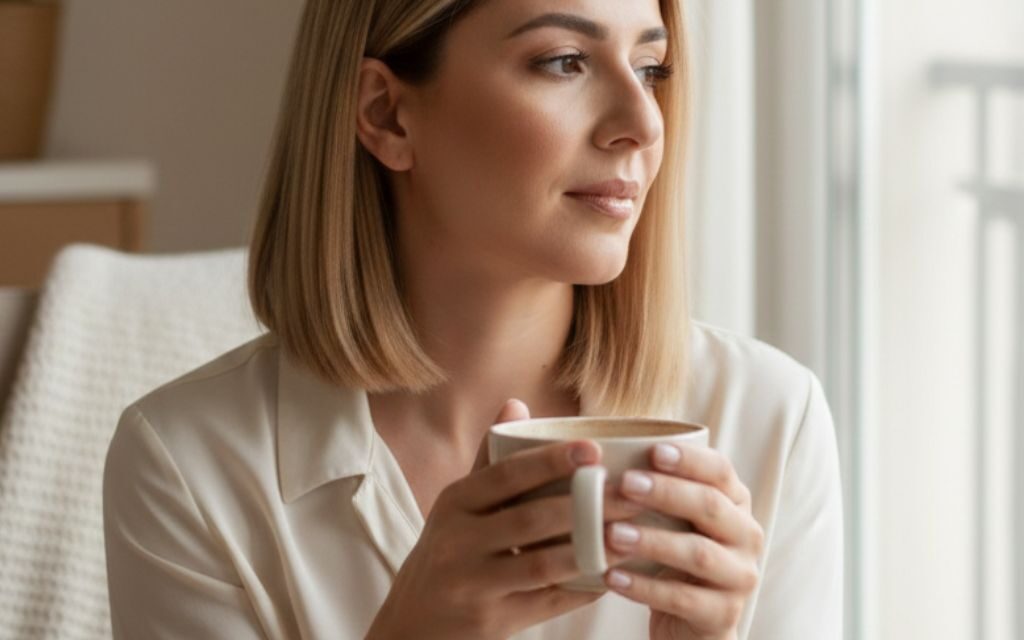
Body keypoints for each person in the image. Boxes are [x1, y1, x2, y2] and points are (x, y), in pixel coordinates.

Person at [102, 0, 844, 638]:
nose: (641, 122)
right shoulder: (187, 463)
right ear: (386, 114)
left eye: (651, 68)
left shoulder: (767, 420)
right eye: (563, 61)